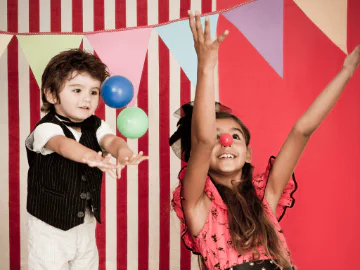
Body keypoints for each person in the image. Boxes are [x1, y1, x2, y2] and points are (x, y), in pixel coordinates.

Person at [170, 11, 360, 270]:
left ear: (248, 154)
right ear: (198, 157)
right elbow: (202, 140)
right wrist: (206, 66)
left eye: (235, 137)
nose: (225, 141)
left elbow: (302, 130)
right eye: (217, 137)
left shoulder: (266, 196)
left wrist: (347, 71)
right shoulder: (198, 205)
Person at [25, 48, 148, 269]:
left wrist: (123, 152)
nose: (87, 98)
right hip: (49, 227)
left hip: (85, 223)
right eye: (77, 90)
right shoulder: (45, 128)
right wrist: (91, 157)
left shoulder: (96, 125)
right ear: (52, 94)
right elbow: (63, 145)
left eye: (94, 92)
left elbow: (111, 140)